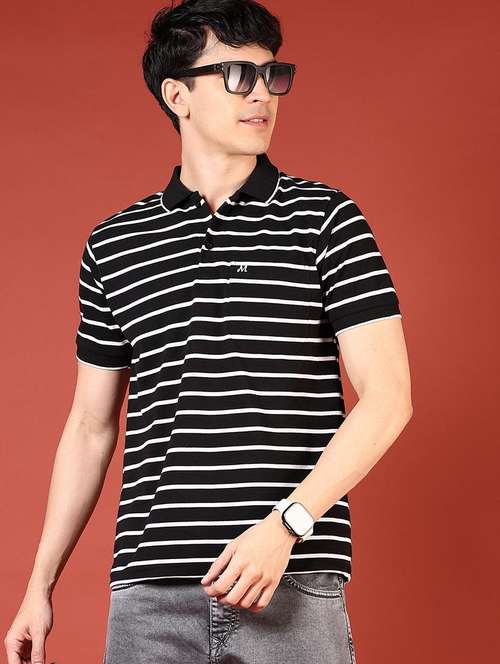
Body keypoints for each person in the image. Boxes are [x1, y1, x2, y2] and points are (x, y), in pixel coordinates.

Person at [4, 1, 412, 663]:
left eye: (272, 75)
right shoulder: (115, 244)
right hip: (148, 596)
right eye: (237, 76)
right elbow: (89, 426)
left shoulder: (327, 221)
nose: (262, 94)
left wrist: (287, 526)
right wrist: (38, 586)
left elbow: (389, 397)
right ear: (178, 95)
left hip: (289, 582)